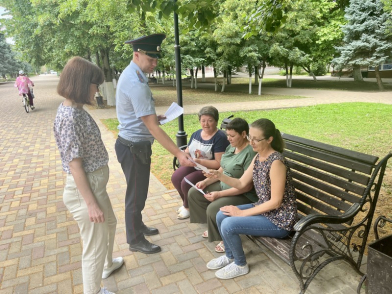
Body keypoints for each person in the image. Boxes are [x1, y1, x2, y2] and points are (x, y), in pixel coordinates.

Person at [115, 34, 194, 255]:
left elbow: (141, 115)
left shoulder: (135, 74)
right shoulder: (136, 82)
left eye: (156, 59)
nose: (155, 63)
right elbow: (152, 129)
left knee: (139, 192)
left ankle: (137, 226)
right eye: (151, 59)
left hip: (133, 145)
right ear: (137, 54)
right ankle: (135, 239)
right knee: (136, 194)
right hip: (134, 147)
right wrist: (179, 152)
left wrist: (151, 116)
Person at [54, 57, 123, 294]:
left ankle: (108, 264)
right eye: (95, 85)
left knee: (110, 223)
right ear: (82, 84)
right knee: (93, 247)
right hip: (85, 192)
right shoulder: (70, 117)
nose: (98, 90)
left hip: (95, 187)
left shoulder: (77, 110)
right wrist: (91, 204)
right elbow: (75, 165)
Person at [205, 118, 297, 279]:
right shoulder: (258, 157)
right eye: (250, 138)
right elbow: (241, 183)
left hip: (280, 220)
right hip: (266, 211)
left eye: (256, 139)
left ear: (269, 139)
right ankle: (230, 256)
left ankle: (240, 265)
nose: (251, 142)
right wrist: (219, 176)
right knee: (221, 214)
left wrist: (241, 213)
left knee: (229, 224)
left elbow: (276, 202)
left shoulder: (276, 163)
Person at [188, 118, 257, 253]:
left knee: (214, 208)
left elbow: (246, 186)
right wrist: (206, 182)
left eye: (232, 136)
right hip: (225, 184)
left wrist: (219, 195)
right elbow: (223, 169)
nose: (229, 139)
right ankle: (213, 226)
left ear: (243, 134)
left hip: (243, 193)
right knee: (194, 192)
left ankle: (224, 238)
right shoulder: (232, 146)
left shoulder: (250, 153)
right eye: (227, 135)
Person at [171, 106, 230, 220]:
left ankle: (188, 208)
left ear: (216, 121)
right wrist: (185, 154)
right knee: (176, 177)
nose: (206, 124)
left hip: (209, 170)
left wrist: (199, 161)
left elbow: (219, 163)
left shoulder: (219, 138)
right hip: (194, 165)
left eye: (210, 120)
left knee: (186, 182)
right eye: (203, 120)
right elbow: (188, 150)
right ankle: (186, 202)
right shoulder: (196, 134)